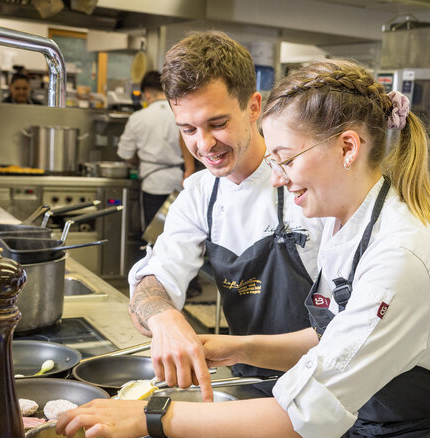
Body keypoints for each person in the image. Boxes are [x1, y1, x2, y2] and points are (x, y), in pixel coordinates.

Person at [56, 59, 430, 438]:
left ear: (347, 147)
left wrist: (150, 417)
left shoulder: (399, 259)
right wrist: (238, 348)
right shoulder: (347, 225)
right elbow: (332, 340)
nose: (276, 178)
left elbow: (300, 419)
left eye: (285, 159)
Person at [125, 31, 324, 401]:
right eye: (188, 129)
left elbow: (355, 328)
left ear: (253, 107)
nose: (204, 144)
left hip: (328, 387)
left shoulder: (308, 183)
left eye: (217, 124)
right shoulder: (199, 194)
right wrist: (165, 319)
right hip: (250, 385)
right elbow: (152, 283)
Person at [117, 70, 195, 228]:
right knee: (178, 231)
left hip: (152, 184)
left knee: (153, 234)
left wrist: (137, 161)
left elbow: (125, 154)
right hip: (179, 183)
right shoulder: (180, 114)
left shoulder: (137, 118)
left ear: (146, 94)